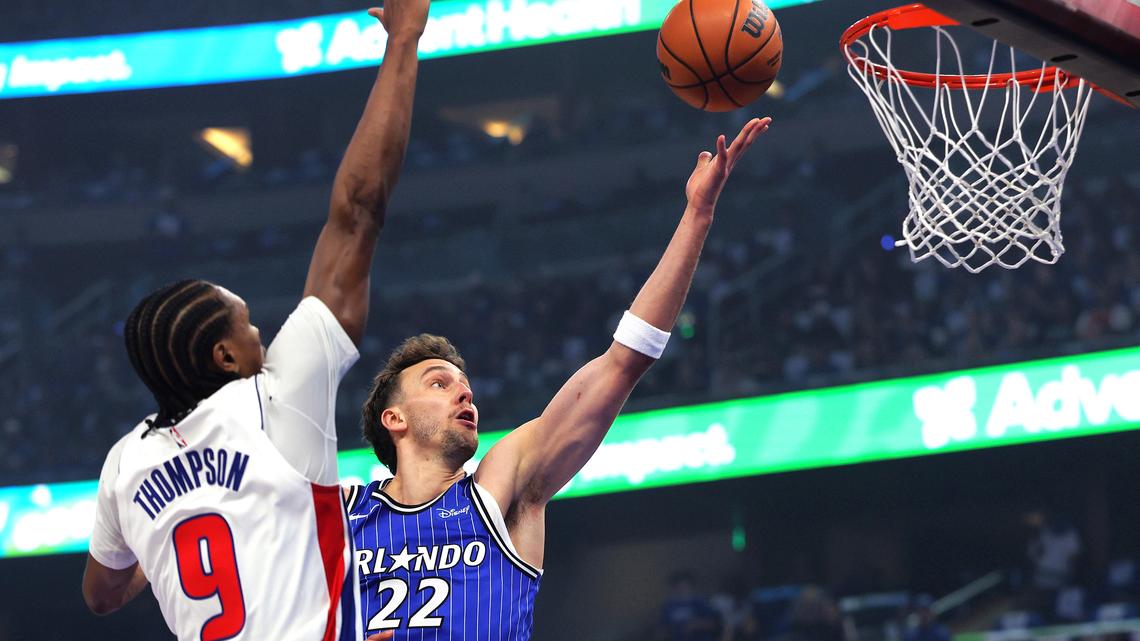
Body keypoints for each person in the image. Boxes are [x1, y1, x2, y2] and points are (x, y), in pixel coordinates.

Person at [80, 2, 430, 640]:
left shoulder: (122, 466)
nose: (262, 334)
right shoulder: (276, 396)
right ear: (225, 358)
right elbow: (358, 211)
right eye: (248, 326)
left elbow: (101, 595)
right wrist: (404, 39)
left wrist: (155, 537)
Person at [345, 116, 772, 639]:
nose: (462, 390)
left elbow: (624, 360)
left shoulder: (501, 486)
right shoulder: (345, 517)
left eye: (464, 385)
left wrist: (698, 215)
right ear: (395, 418)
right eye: (438, 383)